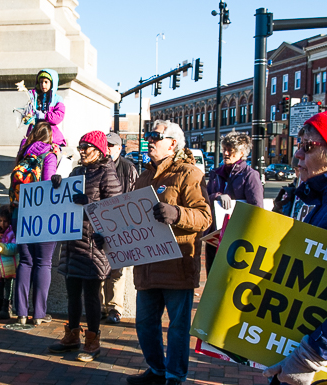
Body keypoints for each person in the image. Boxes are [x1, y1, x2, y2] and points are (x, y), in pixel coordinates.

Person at [263, 108, 327, 385]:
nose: (297, 156)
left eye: (307, 147)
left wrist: (311, 355)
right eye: (298, 146)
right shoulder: (321, 196)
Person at [127, 120, 212, 385]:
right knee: (145, 325)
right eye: (147, 135)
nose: (148, 140)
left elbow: (205, 216)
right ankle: (156, 370)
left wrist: (176, 213)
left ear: (172, 143)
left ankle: (175, 375)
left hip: (176, 263)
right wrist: (110, 234)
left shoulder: (190, 174)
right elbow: (130, 217)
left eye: (155, 136)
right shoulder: (143, 176)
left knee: (177, 328)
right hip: (147, 264)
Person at [48, 130, 122, 362]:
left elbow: (115, 210)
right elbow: (62, 201)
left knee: (91, 296)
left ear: (99, 150)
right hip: (72, 243)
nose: (81, 150)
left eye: (86, 147)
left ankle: (92, 341)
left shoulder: (106, 174)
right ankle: (71, 336)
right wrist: (58, 184)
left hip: (93, 246)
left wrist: (89, 203)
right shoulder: (77, 171)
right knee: (72, 294)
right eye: (80, 146)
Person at [13, 122, 58, 326]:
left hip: (20, 212)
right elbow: (48, 184)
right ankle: (39, 314)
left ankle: (21, 312)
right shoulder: (49, 155)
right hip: (42, 214)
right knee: (43, 263)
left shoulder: (23, 153)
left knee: (25, 261)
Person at [205, 132, 263, 274]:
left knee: (228, 278)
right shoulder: (216, 173)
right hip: (214, 236)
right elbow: (203, 198)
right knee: (212, 276)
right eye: (224, 149)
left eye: (230, 150)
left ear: (241, 153)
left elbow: (257, 208)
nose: (226, 153)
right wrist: (217, 196)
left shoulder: (250, 175)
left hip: (236, 237)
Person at [100, 132, 137, 324]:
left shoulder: (128, 167)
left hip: (121, 225)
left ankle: (115, 307)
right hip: (98, 225)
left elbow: (133, 195)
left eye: (112, 146)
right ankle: (100, 306)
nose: (108, 149)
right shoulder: (96, 166)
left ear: (119, 148)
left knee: (117, 269)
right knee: (98, 267)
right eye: (105, 145)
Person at [25, 69, 66, 147]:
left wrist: (44, 116)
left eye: (46, 82)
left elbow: (59, 116)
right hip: (35, 133)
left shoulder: (57, 99)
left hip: (50, 135)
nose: (43, 85)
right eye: (41, 82)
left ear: (52, 83)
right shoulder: (34, 98)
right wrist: (28, 117)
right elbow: (30, 114)